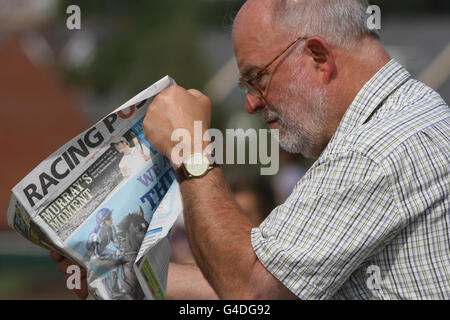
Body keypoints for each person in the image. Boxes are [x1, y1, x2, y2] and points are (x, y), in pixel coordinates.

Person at [51, 0, 449, 300]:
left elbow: (249, 290)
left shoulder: (370, 151)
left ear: (319, 56)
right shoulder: (409, 118)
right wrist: (115, 274)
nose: (252, 104)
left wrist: (189, 147)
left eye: (256, 78)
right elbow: (272, 276)